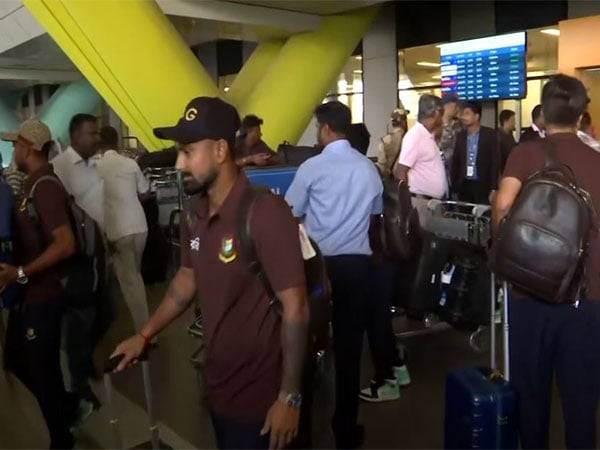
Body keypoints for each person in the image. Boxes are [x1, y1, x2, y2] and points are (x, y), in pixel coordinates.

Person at [112, 97, 309, 450]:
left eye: (187, 151)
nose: (178, 162)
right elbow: (187, 279)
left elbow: (295, 308)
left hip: (263, 402)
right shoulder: (194, 213)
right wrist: (145, 334)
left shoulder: (265, 212)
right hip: (218, 389)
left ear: (220, 150)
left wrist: (289, 398)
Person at [494, 74, 600, 449]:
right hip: (586, 297)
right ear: (581, 113)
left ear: (543, 112)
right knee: (581, 397)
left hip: (530, 291)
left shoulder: (525, 153)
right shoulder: (596, 158)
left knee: (531, 392)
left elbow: (504, 207)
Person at [285, 101, 383, 449]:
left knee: (307, 347)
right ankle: (345, 429)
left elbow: (291, 213)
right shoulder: (369, 170)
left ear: (326, 128)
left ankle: (302, 427)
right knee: (349, 349)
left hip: (318, 269)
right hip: (357, 267)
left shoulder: (311, 167)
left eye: (317, 127)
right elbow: (374, 218)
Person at [0, 119, 78, 449]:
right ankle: (67, 407)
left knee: (41, 369)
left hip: (45, 296)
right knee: (19, 360)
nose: (13, 150)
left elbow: (65, 244)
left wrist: (20, 273)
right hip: (32, 294)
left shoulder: (44, 186)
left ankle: (61, 437)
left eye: (16, 144)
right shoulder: (33, 184)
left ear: (29, 148)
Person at [51, 113, 103, 418]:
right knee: (79, 320)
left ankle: (83, 361)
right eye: (90, 133)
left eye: (97, 133)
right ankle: (78, 384)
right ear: (74, 136)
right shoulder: (59, 168)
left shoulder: (96, 165)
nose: (96, 138)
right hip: (77, 258)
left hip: (98, 252)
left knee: (103, 309)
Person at [97, 126, 151, 333]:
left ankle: (145, 333)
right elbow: (145, 192)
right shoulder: (130, 163)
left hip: (118, 230)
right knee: (134, 275)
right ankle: (144, 328)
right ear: (118, 141)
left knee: (130, 282)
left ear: (100, 143)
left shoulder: (97, 167)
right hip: (140, 225)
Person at [394, 94, 447, 229]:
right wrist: (406, 206)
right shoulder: (415, 136)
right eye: (441, 114)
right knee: (423, 246)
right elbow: (401, 171)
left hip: (431, 204)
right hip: (421, 204)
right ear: (435, 113)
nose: (443, 119)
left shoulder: (427, 135)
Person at [451, 101, 500, 205]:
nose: (463, 117)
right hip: (464, 184)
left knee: (482, 216)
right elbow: (456, 161)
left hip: (482, 184)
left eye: (467, 113)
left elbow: (495, 162)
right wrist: (454, 185)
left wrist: (494, 188)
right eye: (462, 113)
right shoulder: (460, 136)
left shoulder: (490, 135)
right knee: (464, 215)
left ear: (477, 116)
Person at [375, 108, 408, 176]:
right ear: (404, 122)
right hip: (404, 178)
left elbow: (381, 165)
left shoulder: (384, 140)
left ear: (392, 123)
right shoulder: (409, 138)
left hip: (389, 178)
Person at [438, 94, 462, 183]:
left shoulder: (458, 125)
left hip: (455, 170)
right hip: (440, 170)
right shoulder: (436, 125)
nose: (457, 109)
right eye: (455, 106)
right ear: (447, 106)